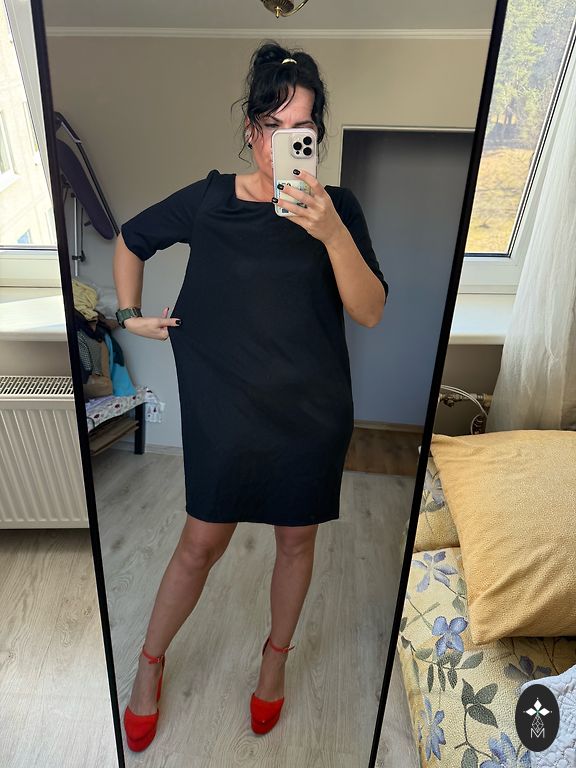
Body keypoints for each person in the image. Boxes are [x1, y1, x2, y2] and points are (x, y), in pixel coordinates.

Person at [113, 40, 388, 751]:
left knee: (296, 541)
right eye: (271, 125)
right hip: (226, 408)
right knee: (200, 542)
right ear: (251, 129)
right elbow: (131, 238)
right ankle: (150, 662)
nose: (283, 142)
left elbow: (369, 310)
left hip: (311, 412)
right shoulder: (209, 200)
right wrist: (128, 313)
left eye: (302, 129)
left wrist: (330, 233)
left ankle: (274, 662)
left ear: (316, 136)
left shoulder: (339, 208)